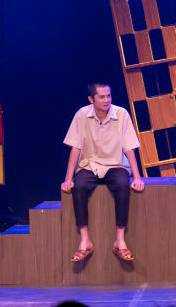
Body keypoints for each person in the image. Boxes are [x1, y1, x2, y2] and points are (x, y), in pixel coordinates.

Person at [61, 83, 144, 262]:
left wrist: (137, 177)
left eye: (108, 96)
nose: (106, 100)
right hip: (90, 165)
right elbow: (75, 147)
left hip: (115, 164)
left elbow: (129, 147)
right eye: (101, 97)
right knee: (79, 187)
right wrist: (68, 179)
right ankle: (85, 241)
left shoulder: (121, 114)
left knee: (122, 185)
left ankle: (120, 240)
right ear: (91, 99)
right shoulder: (82, 115)